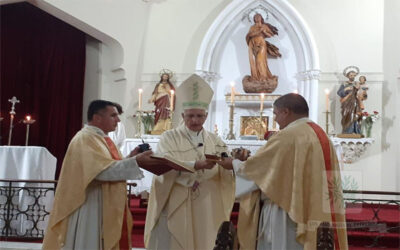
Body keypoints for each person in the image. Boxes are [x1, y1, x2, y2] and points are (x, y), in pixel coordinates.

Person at [218, 93, 348, 250]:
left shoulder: (287, 136)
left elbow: (256, 170)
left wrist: (233, 164)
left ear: (286, 112)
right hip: (314, 209)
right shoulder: (321, 135)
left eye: (276, 113)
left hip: (285, 211)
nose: (275, 119)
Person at [42, 100, 165, 250]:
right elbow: (100, 172)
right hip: (91, 203)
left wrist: (131, 158)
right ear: (97, 118)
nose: (118, 120)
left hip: (104, 201)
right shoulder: (85, 139)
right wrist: (136, 161)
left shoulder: (100, 138)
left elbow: (106, 165)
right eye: (113, 115)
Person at [144, 74, 235, 250]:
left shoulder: (216, 140)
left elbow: (226, 166)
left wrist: (228, 165)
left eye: (200, 116)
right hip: (178, 197)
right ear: (183, 115)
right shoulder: (169, 137)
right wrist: (195, 166)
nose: (195, 120)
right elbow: (163, 165)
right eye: (190, 116)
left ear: (206, 116)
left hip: (207, 200)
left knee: (205, 239)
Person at [246, 13, 281, 82]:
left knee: (260, 60)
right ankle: (257, 77)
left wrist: (264, 32)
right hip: (253, 44)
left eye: (258, 17)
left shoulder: (264, 26)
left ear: (261, 18)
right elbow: (250, 35)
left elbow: (270, 35)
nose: (257, 18)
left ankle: (264, 77)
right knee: (255, 61)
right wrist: (259, 31)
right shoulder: (252, 27)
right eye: (255, 17)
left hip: (261, 43)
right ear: (254, 19)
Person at [337, 69, 362, 134]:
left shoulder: (356, 83)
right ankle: (347, 131)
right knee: (346, 114)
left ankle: (354, 130)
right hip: (346, 103)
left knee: (355, 115)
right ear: (348, 76)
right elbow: (339, 93)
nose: (352, 77)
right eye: (351, 75)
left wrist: (357, 88)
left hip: (354, 102)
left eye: (354, 75)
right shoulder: (344, 84)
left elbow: (360, 93)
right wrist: (346, 89)